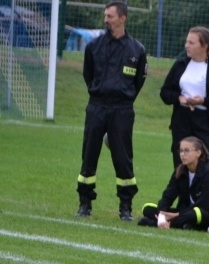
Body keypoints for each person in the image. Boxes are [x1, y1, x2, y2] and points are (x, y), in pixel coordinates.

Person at [75, 1, 147, 221]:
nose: (106, 19)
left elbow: (138, 81)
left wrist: (122, 97)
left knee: (123, 157)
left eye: (110, 16)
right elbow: (88, 75)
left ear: (122, 18)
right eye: (105, 16)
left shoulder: (137, 49)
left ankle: (125, 206)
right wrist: (99, 93)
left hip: (122, 110)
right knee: (89, 154)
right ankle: (85, 203)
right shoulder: (94, 46)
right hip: (97, 106)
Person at [159, 26, 209, 175]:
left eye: (191, 43)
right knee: (182, 166)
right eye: (187, 42)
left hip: (206, 123)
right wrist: (179, 98)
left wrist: (204, 101)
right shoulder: (180, 66)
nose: (186, 46)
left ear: (205, 46)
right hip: (182, 121)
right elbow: (165, 92)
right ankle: (184, 198)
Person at [137, 136, 209, 232]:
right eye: (181, 151)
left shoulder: (208, 173)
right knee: (148, 208)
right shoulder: (180, 171)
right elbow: (167, 196)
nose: (183, 154)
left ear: (198, 153)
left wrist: (176, 215)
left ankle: (155, 223)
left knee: (194, 214)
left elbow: (202, 204)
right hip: (184, 211)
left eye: (187, 151)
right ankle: (176, 224)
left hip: (206, 212)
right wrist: (162, 213)